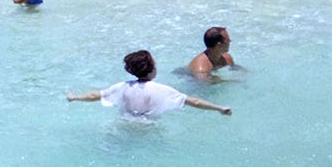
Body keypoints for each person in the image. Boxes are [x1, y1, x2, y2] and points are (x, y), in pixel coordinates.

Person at [66, 50, 230, 119]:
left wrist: (74, 97)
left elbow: (94, 96)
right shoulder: (162, 90)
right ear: (152, 69)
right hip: (147, 128)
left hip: (125, 124)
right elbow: (195, 101)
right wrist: (219, 108)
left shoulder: (122, 87)